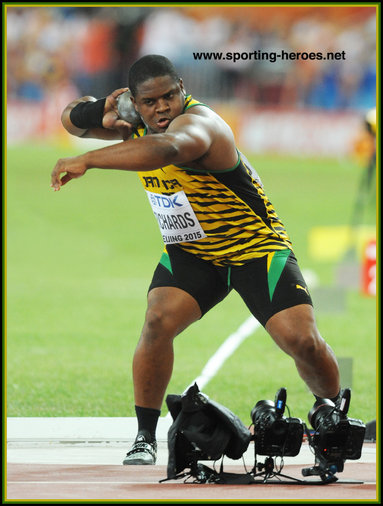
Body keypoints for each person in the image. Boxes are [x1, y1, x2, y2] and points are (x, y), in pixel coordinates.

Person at [51, 54, 341, 465]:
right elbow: (71, 120)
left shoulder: (200, 124)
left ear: (182, 87)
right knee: (157, 320)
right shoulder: (134, 120)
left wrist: (88, 158)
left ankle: (330, 409)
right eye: (150, 102)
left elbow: (167, 148)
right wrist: (102, 110)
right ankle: (145, 436)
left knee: (302, 340)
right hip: (193, 251)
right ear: (135, 101)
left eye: (170, 95)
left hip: (253, 247)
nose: (163, 107)